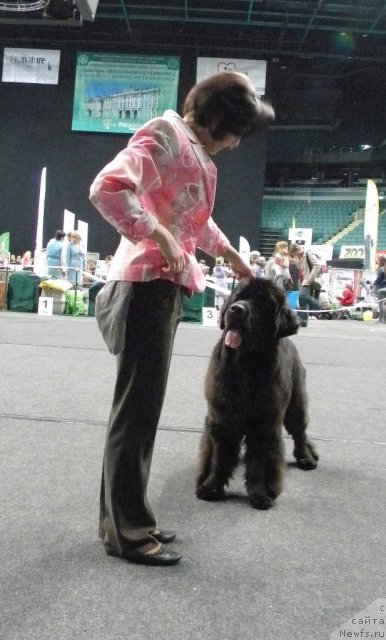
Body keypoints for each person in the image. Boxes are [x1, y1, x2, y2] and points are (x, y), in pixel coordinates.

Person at [89, 71, 275, 567]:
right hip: (146, 286)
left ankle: (125, 522)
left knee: (138, 414)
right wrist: (159, 236)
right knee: (136, 415)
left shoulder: (189, 147)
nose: (236, 145)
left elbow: (192, 215)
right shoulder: (166, 133)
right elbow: (107, 188)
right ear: (220, 120)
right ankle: (128, 532)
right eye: (238, 132)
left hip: (161, 288)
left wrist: (229, 253)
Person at [288, 243, 322, 327]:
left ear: (297, 250)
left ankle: (316, 304)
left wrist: (311, 276)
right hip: (304, 280)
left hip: (309, 279)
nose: (294, 255)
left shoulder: (308, 254)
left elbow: (317, 265)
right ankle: (303, 321)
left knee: (302, 296)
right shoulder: (299, 257)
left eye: (294, 253)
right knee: (301, 300)